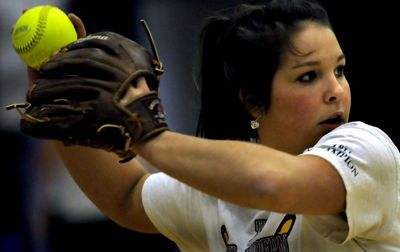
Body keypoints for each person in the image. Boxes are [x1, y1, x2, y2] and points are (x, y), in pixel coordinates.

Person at [16, 0, 400, 251]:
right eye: (308, 76)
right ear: (252, 100)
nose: (336, 90)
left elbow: (271, 183)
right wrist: (63, 105)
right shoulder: (218, 187)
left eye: (340, 70)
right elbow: (128, 194)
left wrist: (150, 137)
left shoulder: (366, 149)